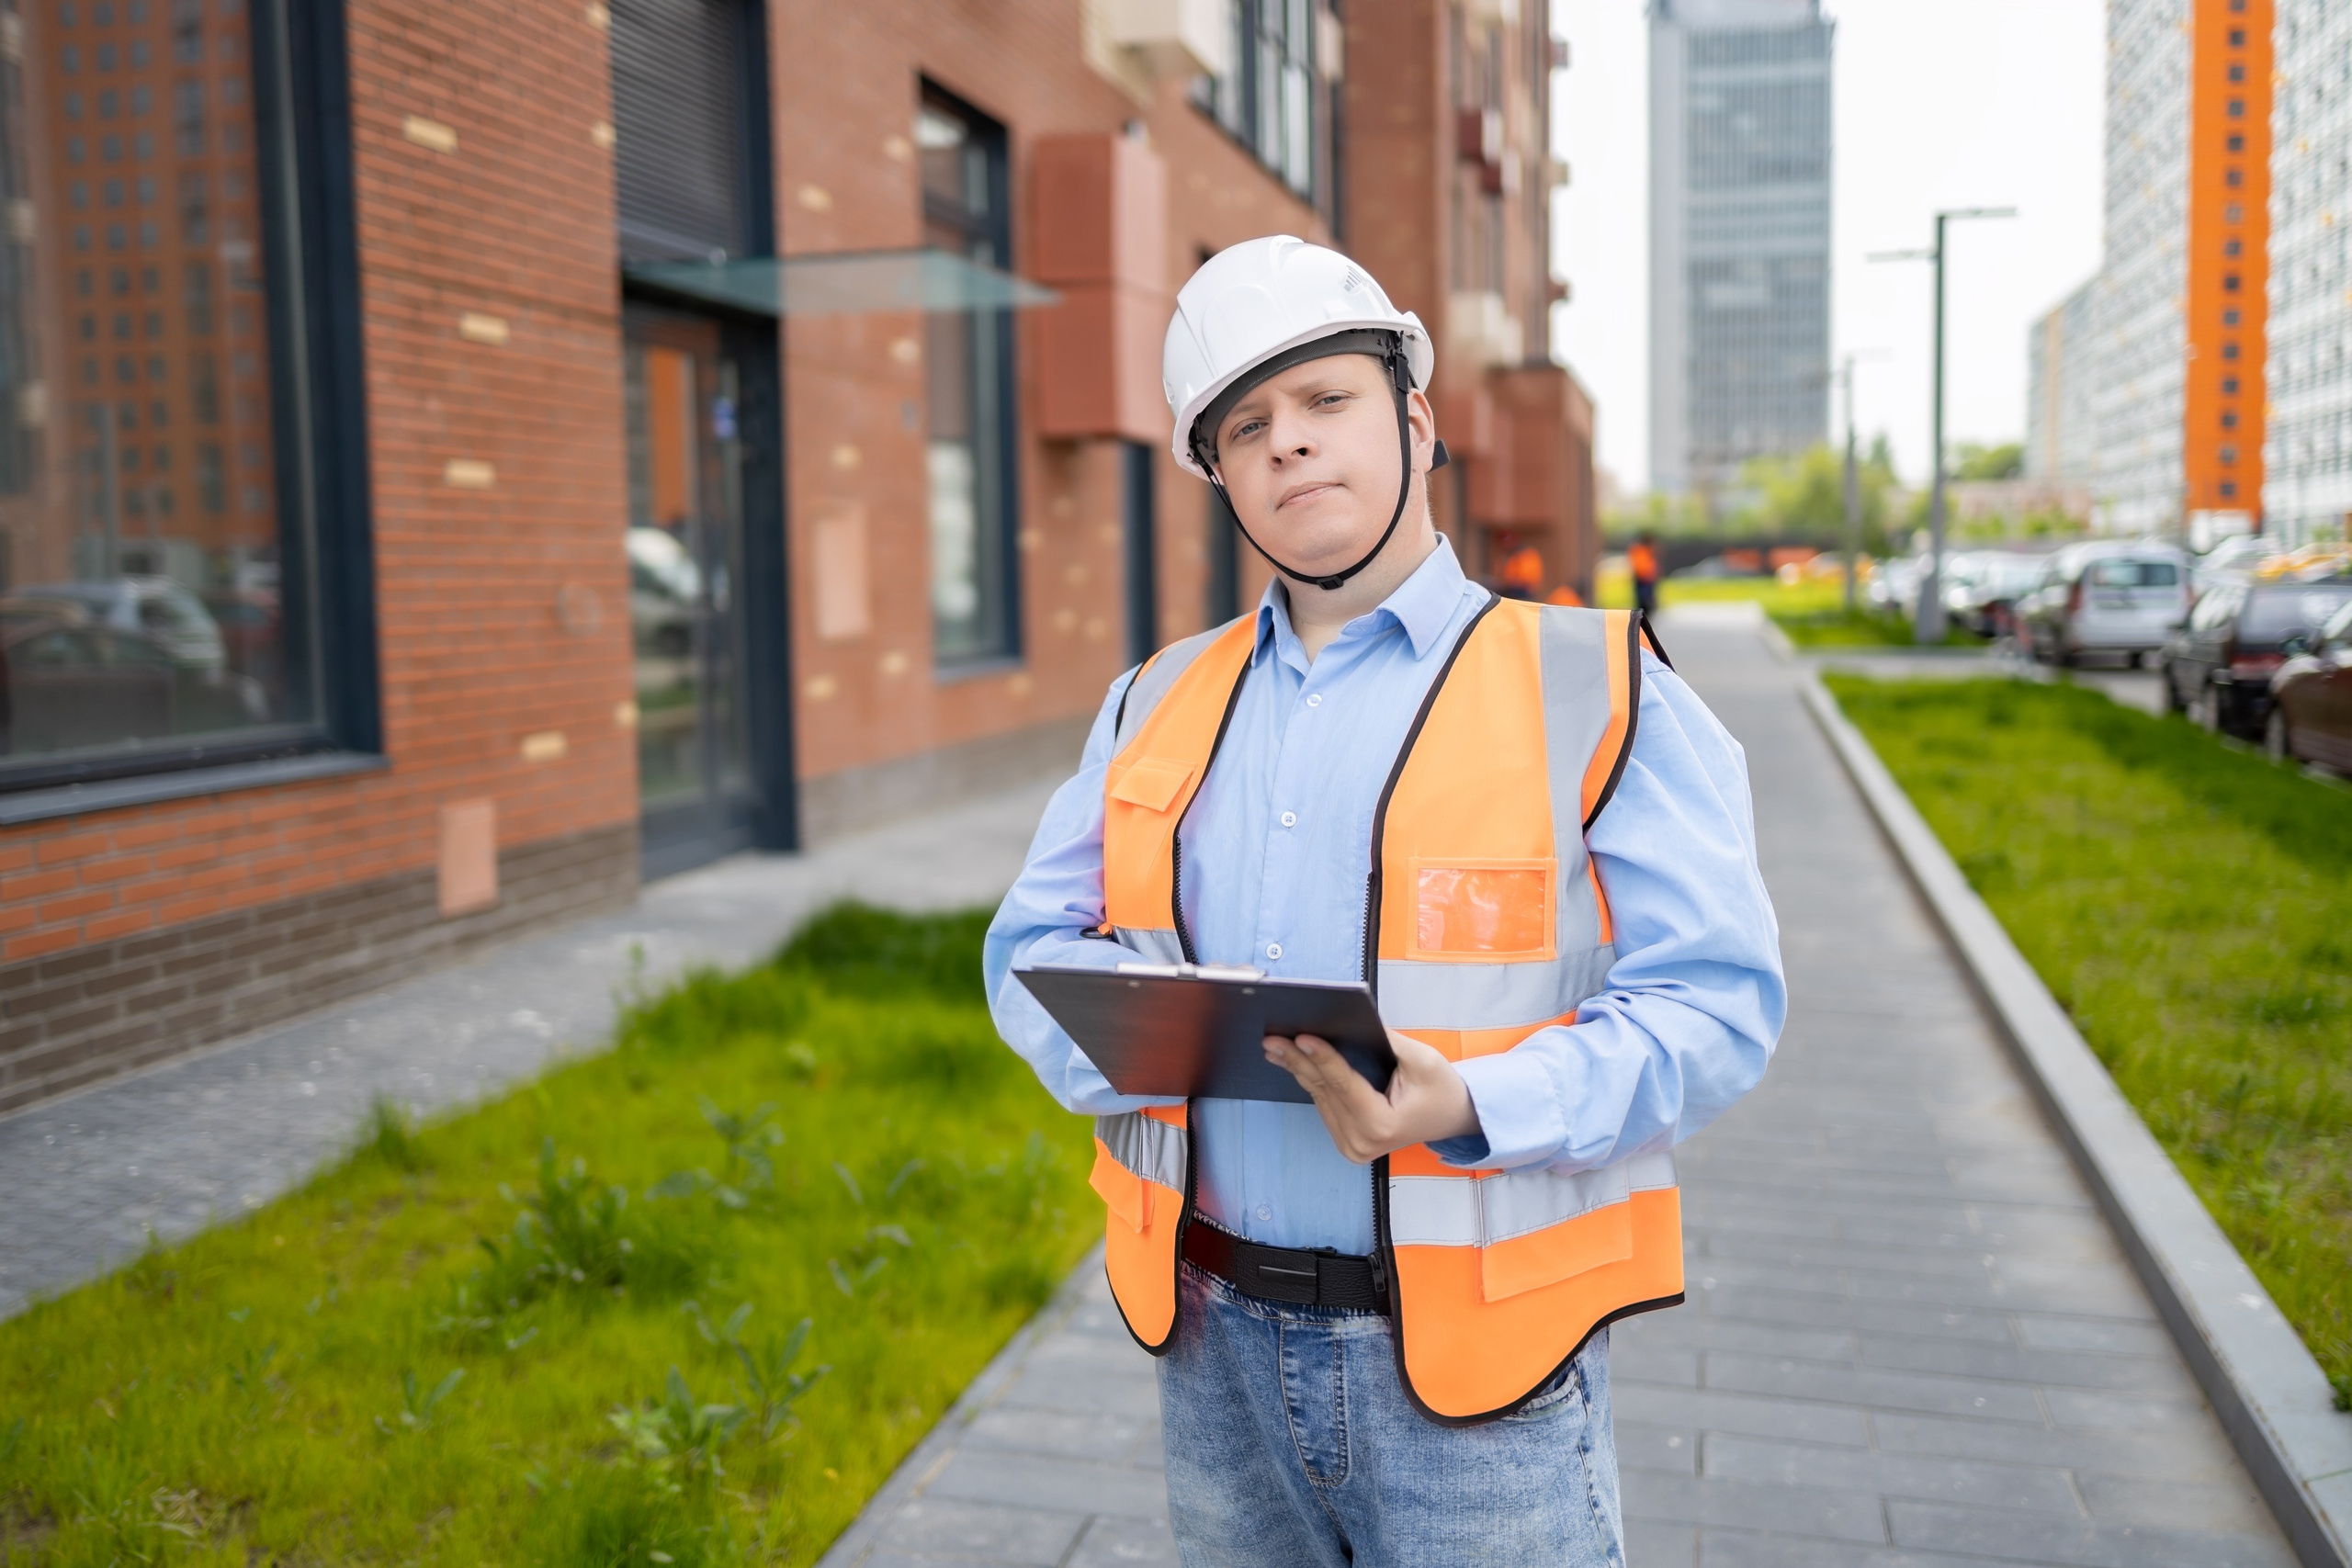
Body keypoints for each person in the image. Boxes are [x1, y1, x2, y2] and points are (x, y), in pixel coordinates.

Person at [985, 236, 1782, 1567]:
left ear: (1414, 417)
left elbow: (1719, 1007)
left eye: (1326, 400)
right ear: (1220, 476)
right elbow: (1029, 952)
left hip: (1481, 1380)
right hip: (1212, 1346)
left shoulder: (1590, 683)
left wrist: (1466, 1102)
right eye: (1248, 426)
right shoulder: (1152, 701)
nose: (1289, 444)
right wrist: (1124, 1035)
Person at [1628, 528, 1662, 619]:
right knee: (1644, 601)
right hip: (1643, 579)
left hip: (1647, 579)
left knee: (1646, 601)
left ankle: (1646, 616)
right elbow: (1641, 566)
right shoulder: (1640, 550)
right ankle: (1644, 618)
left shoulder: (1644, 550)